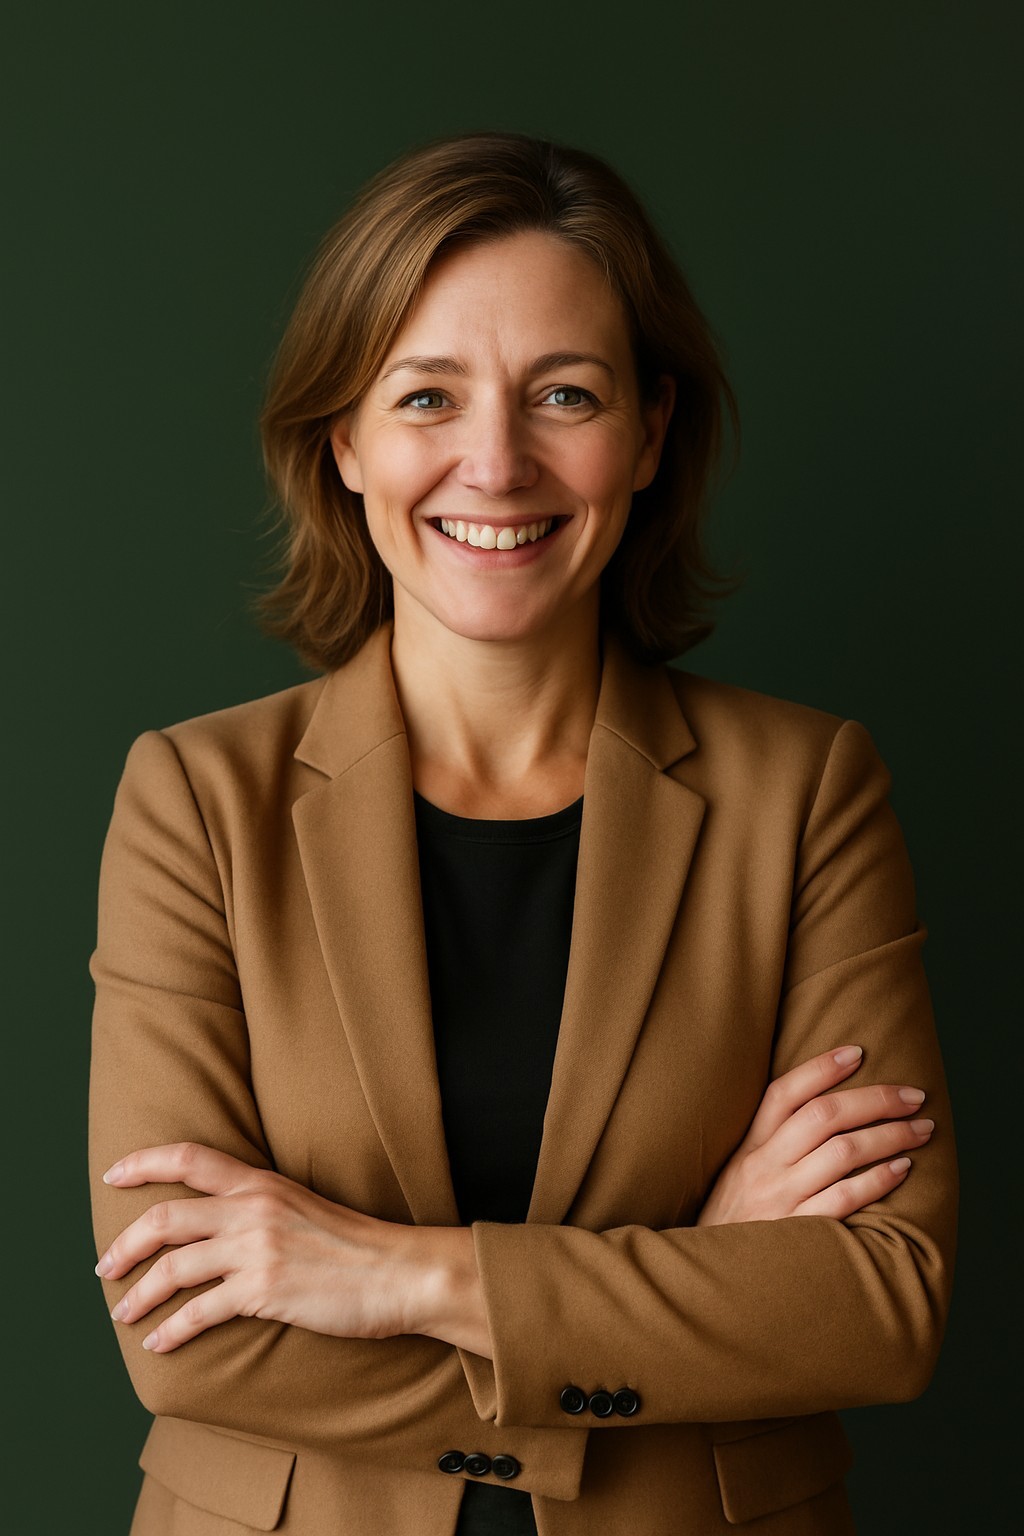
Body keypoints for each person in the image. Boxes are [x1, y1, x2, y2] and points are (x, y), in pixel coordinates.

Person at [88, 131, 957, 1536]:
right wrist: (696, 1277)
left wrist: (394, 1276)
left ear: (650, 432)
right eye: (428, 397)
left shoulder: (808, 791)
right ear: (346, 443)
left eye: (565, 393)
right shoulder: (194, 801)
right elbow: (187, 1338)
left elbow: (879, 1302)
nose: (495, 463)